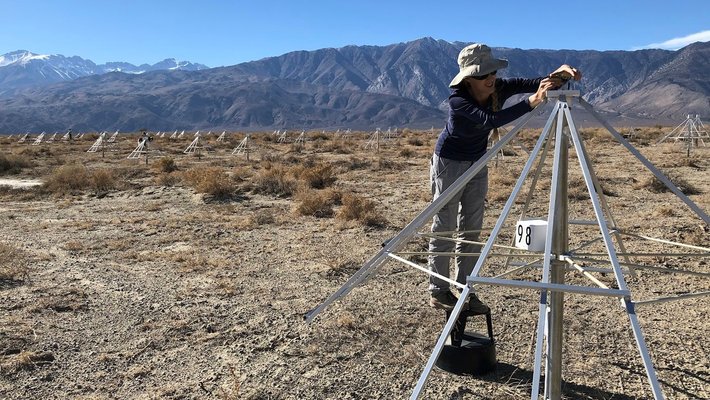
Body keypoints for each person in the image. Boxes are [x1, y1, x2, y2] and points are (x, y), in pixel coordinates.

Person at [428, 43, 581, 313]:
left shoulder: (498, 87)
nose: (491, 79)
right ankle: (439, 291)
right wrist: (531, 102)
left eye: (492, 73)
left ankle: (465, 288)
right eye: (483, 75)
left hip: (478, 160)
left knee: (472, 227)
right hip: (449, 162)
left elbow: (533, 82)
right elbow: (490, 120)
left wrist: (558, 75)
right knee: (445, 225)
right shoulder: (458, 100)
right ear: (468, 79)